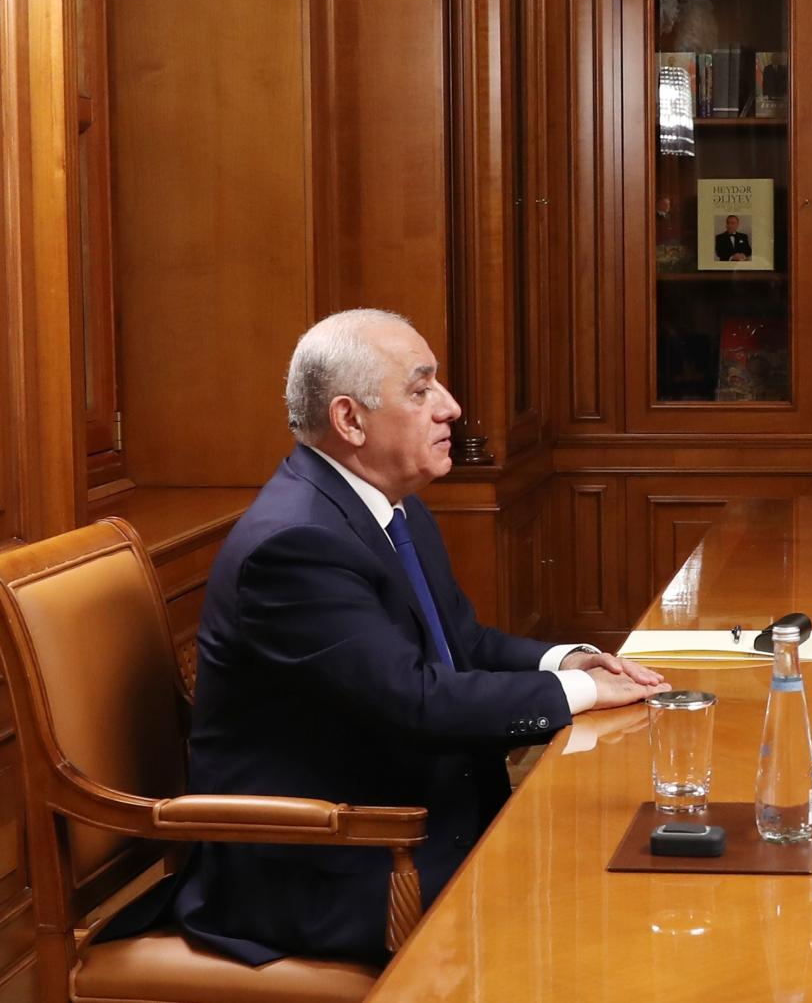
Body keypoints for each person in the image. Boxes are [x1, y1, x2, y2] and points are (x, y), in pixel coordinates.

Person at [133, 309, 671, 965]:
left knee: (630, 857)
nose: (451, 407)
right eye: (420, 391)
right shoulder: (296, 545)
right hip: (331, 864)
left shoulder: (390, 505)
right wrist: (580, 694)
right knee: (604, 914)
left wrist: (570, 661)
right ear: (350, 420)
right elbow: (415, 701)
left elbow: (461, 644)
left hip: (410, 821)